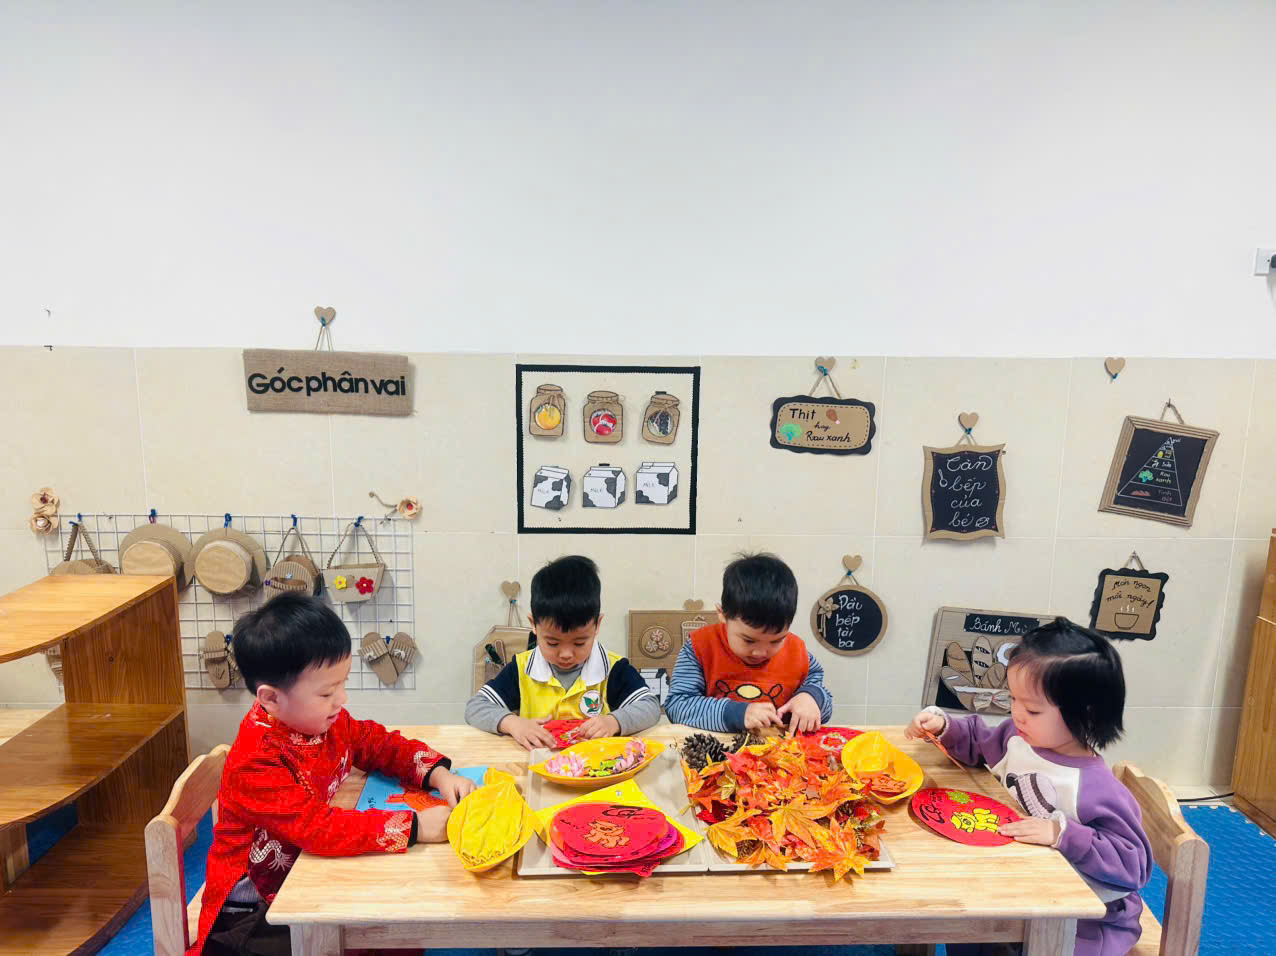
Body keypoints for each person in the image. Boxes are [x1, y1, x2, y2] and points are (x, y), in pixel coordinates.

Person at [191, 594, 477, 956]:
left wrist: (437, 775)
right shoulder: (256, 761)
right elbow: (318, 828)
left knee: (397, 927)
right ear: (271, 699)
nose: (341, 699)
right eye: (327, 691)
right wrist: (416, 827)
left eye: (342, 684)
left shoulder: (319, 719)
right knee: (384, 927)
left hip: (302, 874)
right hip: (253, 916)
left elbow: (373, 742)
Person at [907, 618, 1152, 956]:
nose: (1018, 714)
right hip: (1019, 888)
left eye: (1033, 710)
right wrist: (943, 727)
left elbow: (1133, 865)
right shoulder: (1018, 739)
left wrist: (1061, 833)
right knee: (962, 918)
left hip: (1084, 922)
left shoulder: (1096, 788)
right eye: (1014, 699)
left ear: (1086, 714)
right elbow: (979, 742)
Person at [465, 555, 659, 750]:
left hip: (594, 765)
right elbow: (476, 707)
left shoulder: (613, 668)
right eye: (553, 643)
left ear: (597, 625)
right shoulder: (521, 669)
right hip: (537, 763)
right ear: (534, 625)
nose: (566, 654)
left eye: (579, 643)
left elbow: (650, 706)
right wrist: (513, 723)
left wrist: (614, 721)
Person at [665, 552, 833, 733]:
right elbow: (677, 706)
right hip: (718, 748)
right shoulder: (699, 648)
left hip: (783, 748)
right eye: (748, 640)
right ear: (723, 614)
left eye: (776, 641)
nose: (761, 652)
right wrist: (736, 714)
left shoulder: (798, 653)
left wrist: (811, 698)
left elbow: (825, 703)